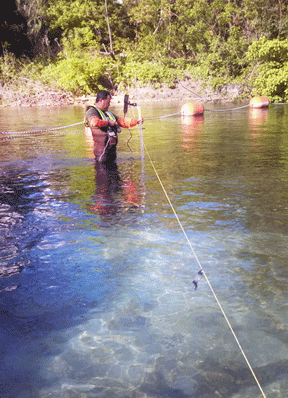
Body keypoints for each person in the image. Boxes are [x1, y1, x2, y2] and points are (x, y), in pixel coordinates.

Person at [85, 90, 143, 162]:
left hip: (112, 154)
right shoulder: (92, 111)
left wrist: (136, 121)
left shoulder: (108, 113)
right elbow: (94, 122)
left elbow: (122, 121)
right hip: (102, 156)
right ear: (101, 100)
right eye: (108, 102)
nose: (109, 105)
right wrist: (108, 123)